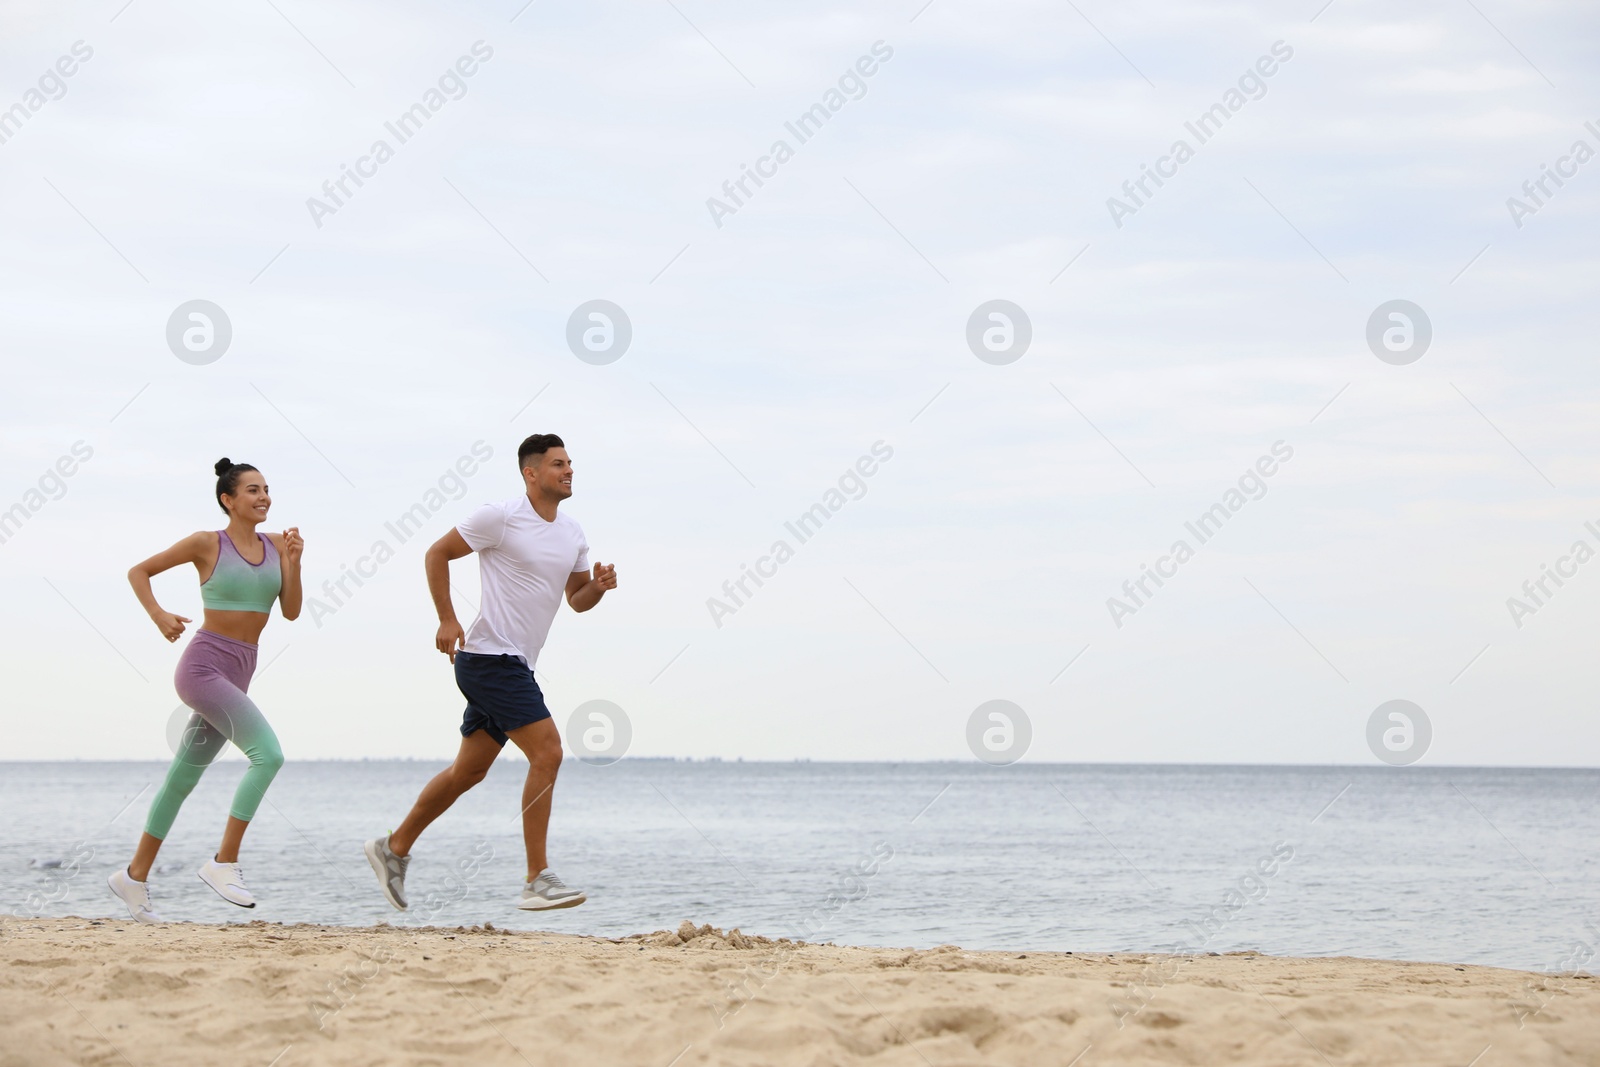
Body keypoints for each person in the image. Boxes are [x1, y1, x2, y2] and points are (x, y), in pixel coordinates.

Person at [366, 434, 616, 913]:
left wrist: (599, 588)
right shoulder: (499, 517)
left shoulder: (573, 533)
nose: (568, 471)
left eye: (570, 464)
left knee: (469, 771)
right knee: (549, 751)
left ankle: (392, 848)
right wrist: (445, 617)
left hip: (516, 664)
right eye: (558, 464)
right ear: (531, 473)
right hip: (487, 659)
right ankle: (537, 878)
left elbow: (577, 599)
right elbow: (436, 553)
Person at [108, 459, 303, 922]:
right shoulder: (205, 543)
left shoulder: (279, 545)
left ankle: (133, 878)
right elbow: (139, 571)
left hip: (241, 669)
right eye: (253, 490)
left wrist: (293, 563)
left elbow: (291, 611)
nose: (264, 498)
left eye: (267, 490)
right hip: (203, 666)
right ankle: (223, 862)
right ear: (228, 500)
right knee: (269, 755)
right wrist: (158, 615)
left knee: (182, 778)